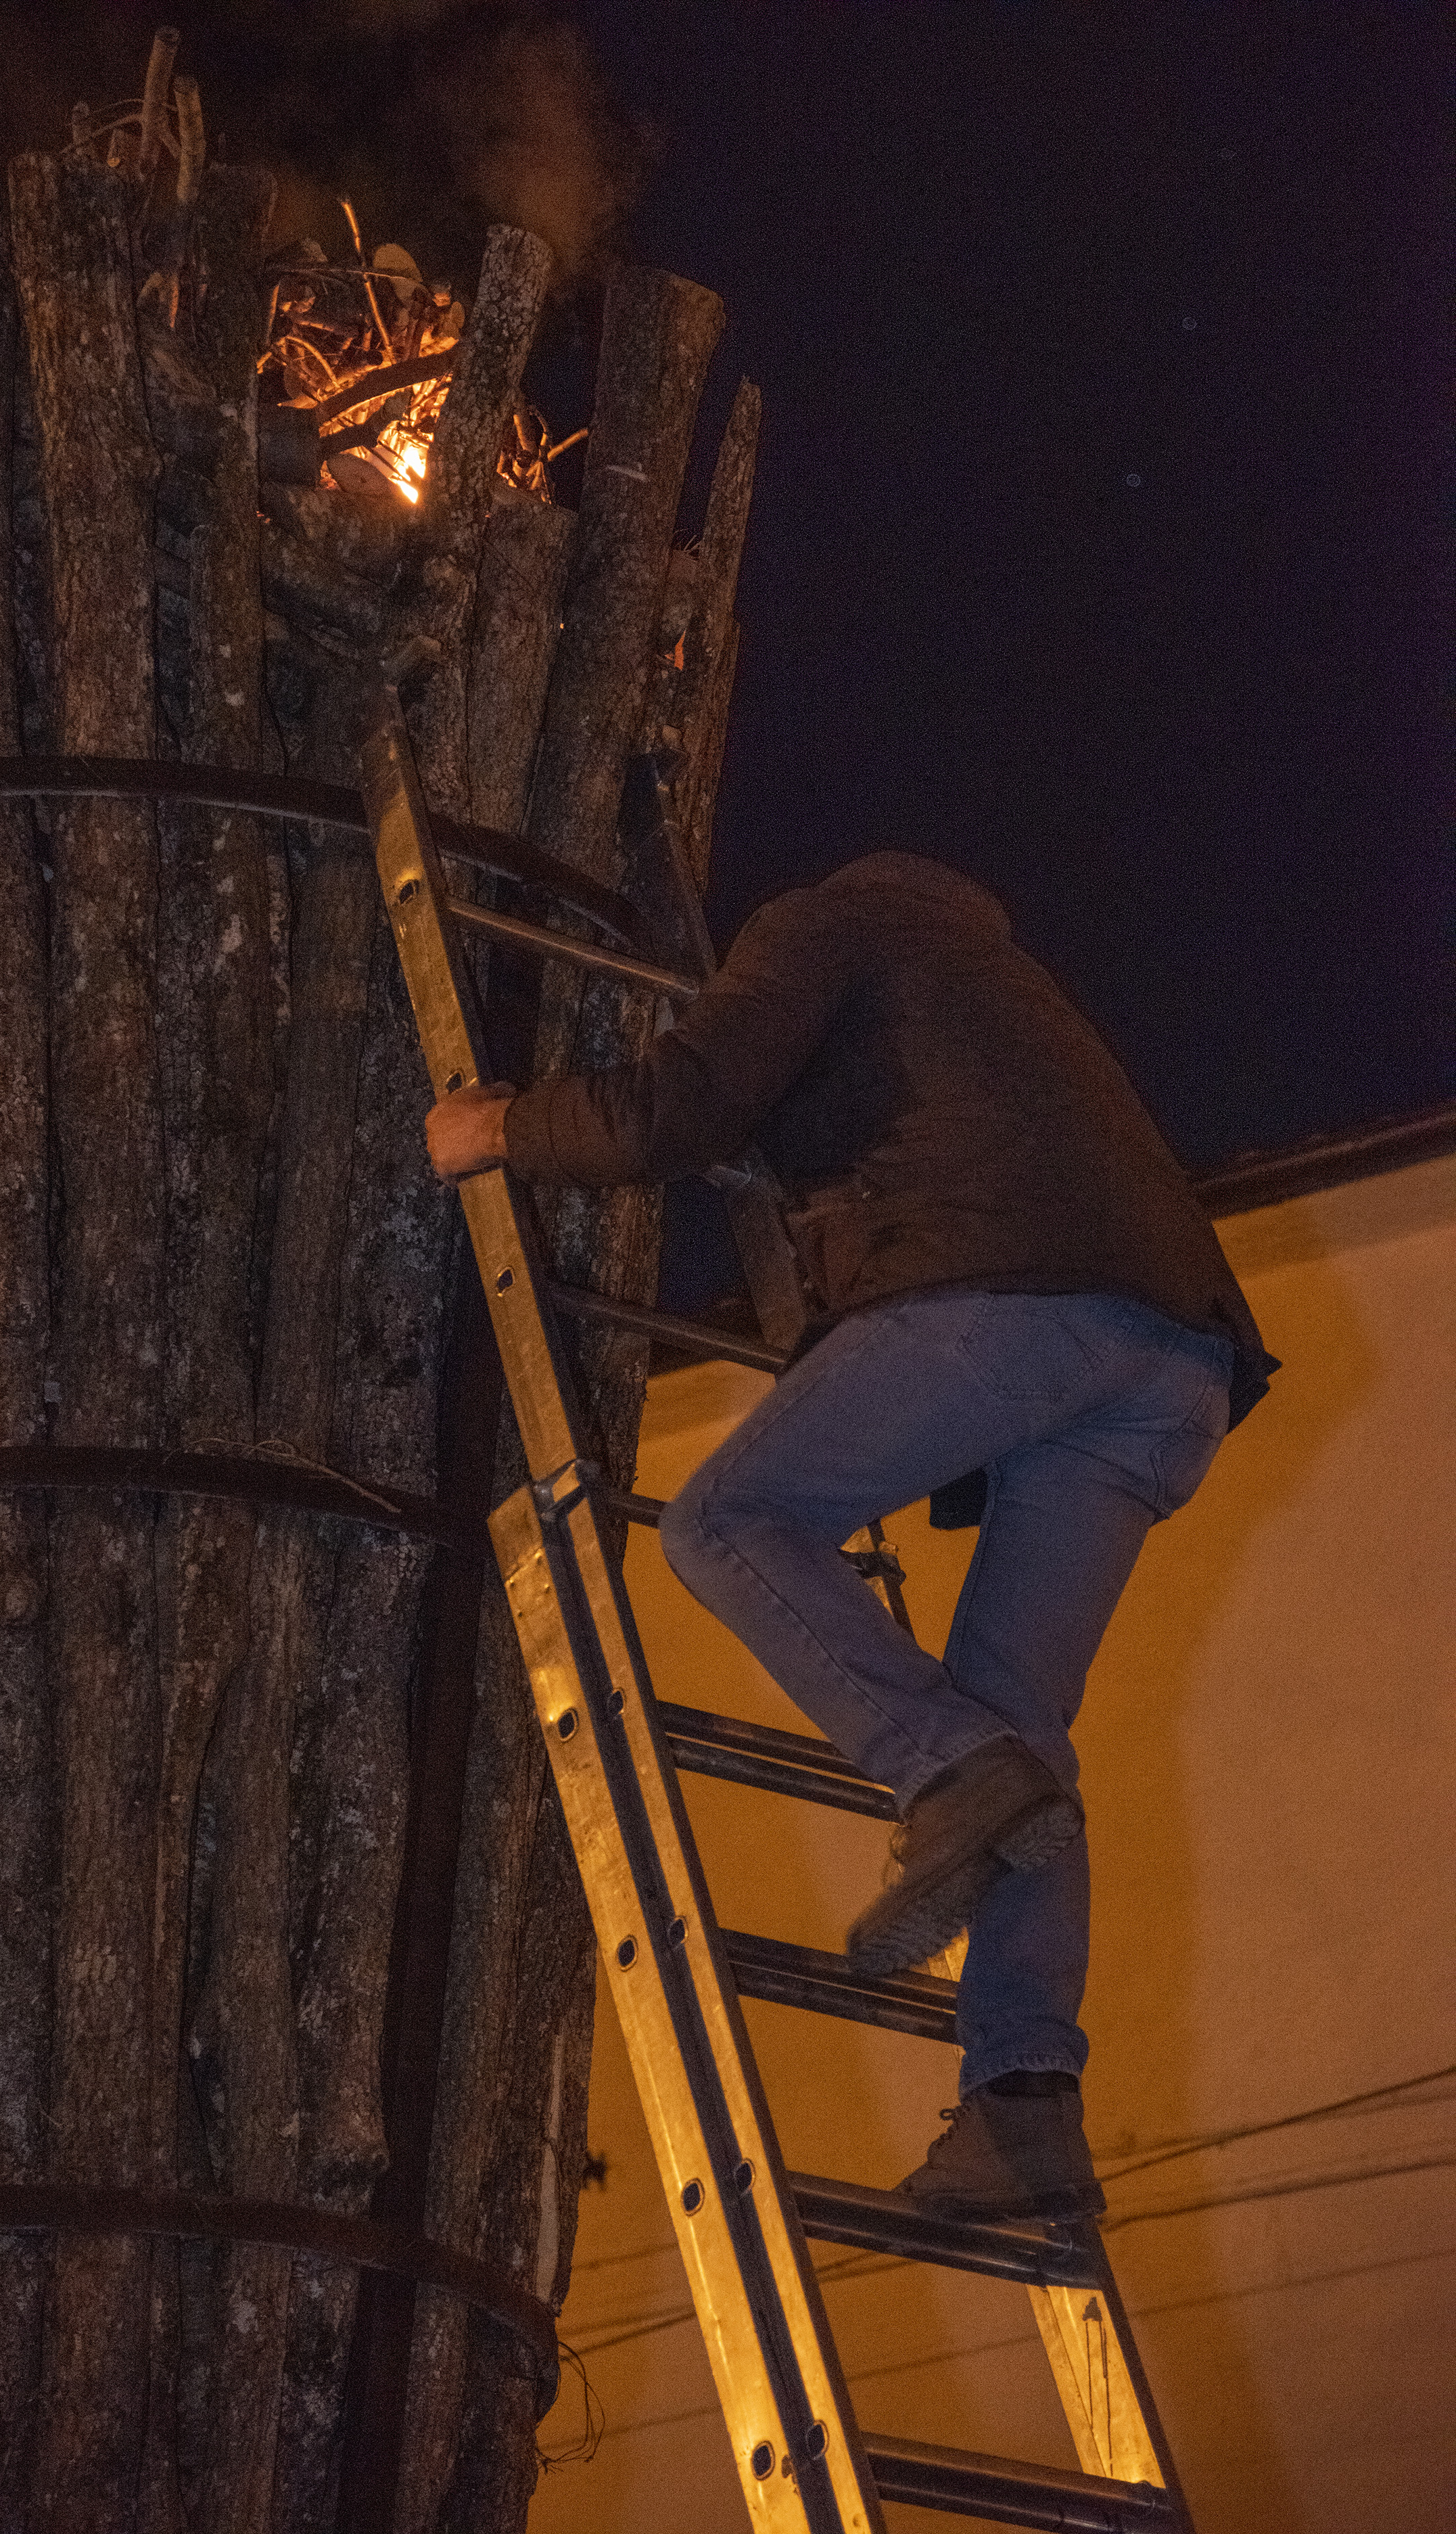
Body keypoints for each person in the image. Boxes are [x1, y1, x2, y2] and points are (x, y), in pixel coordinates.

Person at [425, 850, 1275, 2224]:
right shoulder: (992, 985)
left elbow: (674, 1106)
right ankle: (1020, 2113)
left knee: (728, 1519)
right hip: (1169, 1358)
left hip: (1014, 1299)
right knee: (1019, 1729)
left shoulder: (821, 924)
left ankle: (942, 1771)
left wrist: (501, 1127)